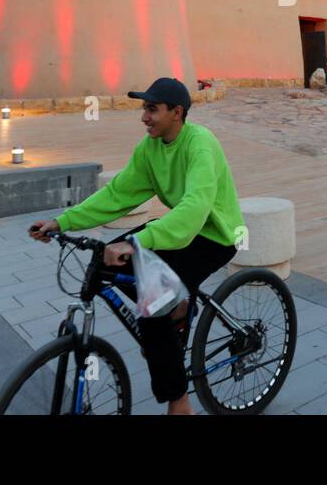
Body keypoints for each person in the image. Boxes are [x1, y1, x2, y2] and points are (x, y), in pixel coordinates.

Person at [29, 77, 245, 416]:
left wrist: (137, 242)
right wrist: (62, 222)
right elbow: (118, 195)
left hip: (214, 236)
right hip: (179, 231)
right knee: (105, 263)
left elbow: (193, 210)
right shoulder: (150, 148)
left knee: (152, 306)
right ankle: (174, 311)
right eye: (144, 108)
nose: (144, 116)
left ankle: (180, 402)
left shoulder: (199, 145)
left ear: (177, 112)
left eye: (152, 109)